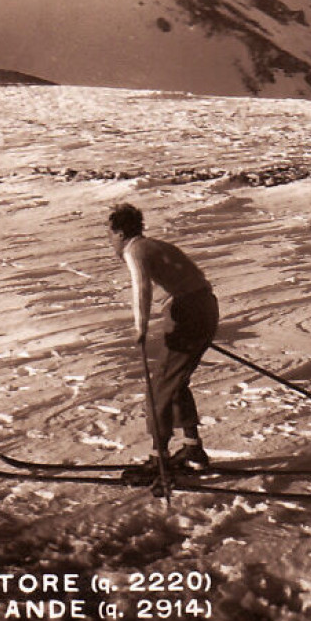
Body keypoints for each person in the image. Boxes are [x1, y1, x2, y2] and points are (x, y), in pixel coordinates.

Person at [107, 202, 219, 478]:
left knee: (160, 386)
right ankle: (193, 449)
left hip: (189, 311)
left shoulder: (135, 250)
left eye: (109, 234)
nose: (109, 241)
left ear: (120, 233)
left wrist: (140, 327)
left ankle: (159, 458)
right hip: (202, 306)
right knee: (175, 381)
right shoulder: (153, 245)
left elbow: (141, 288)